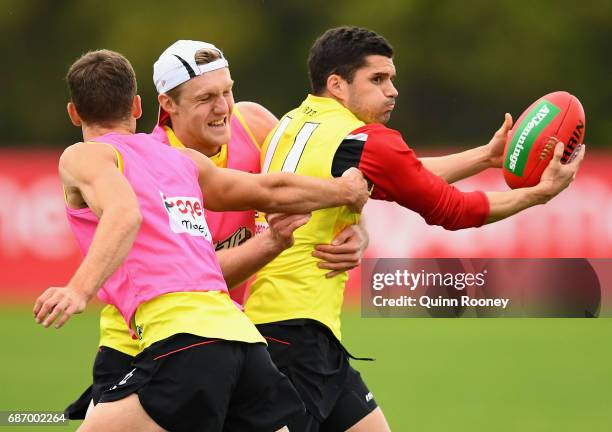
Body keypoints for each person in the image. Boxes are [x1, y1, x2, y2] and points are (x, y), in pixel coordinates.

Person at [246, 26, 585, 431]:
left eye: (392, 79)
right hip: (295, 336)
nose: (393, 91)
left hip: (290, 327)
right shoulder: (363, 140)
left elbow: (408, 173)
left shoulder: (292, 121)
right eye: (377, 79)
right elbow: (453, 210)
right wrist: (538, 195)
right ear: (337, 84)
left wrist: (485, 157)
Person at [34, 49, 369, 431]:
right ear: (139, 106)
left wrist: (78, 290)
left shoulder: (84, 156)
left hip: (180, 344)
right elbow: (270, 189)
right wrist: (342, 190)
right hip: (245, 345)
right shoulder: (181, 161)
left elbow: (124, 213)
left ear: (74, 113)